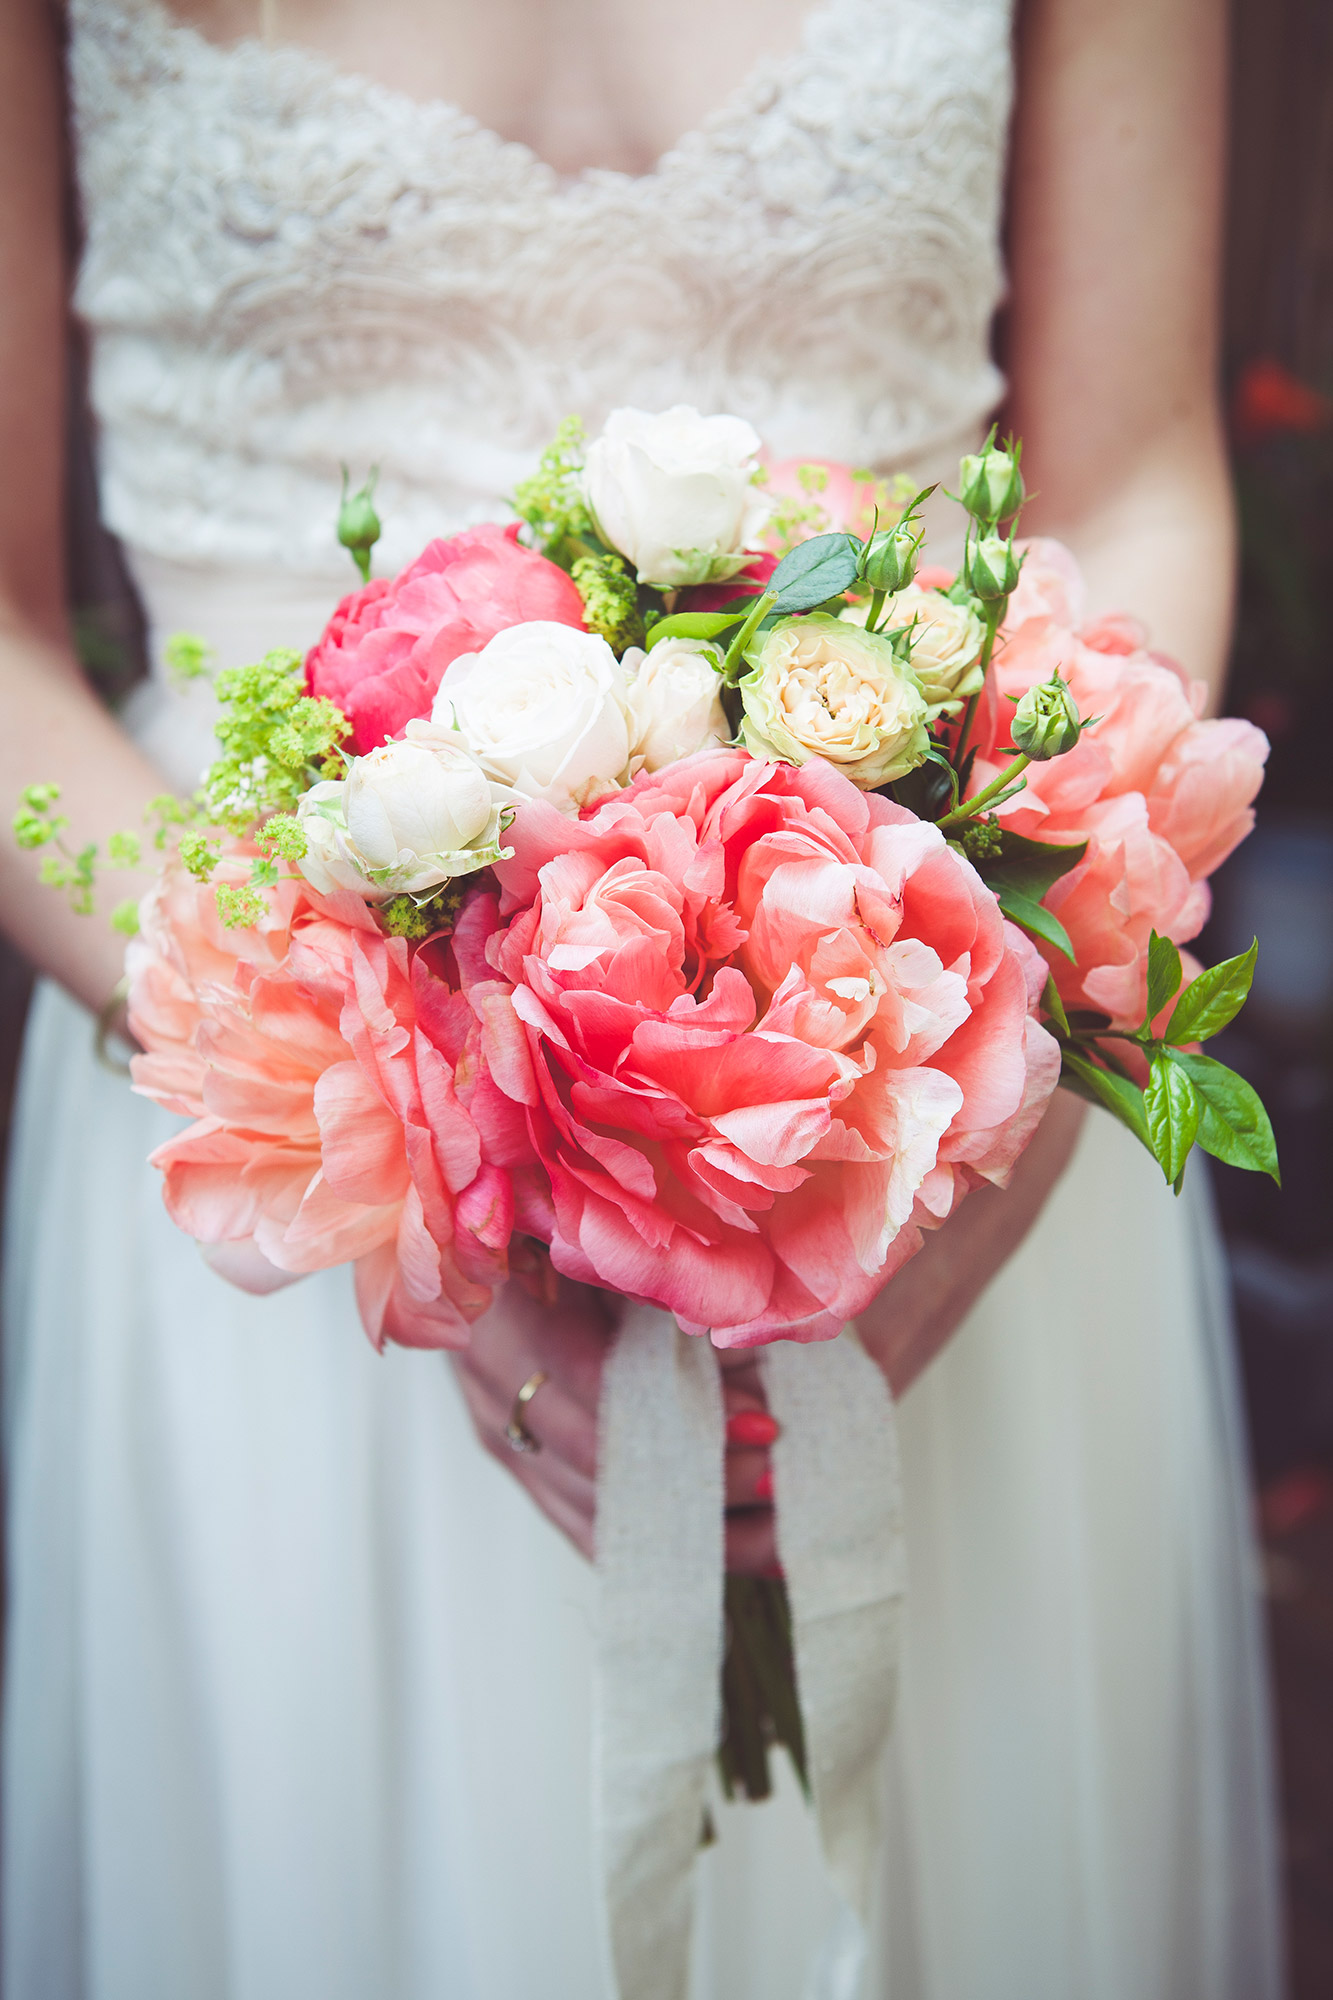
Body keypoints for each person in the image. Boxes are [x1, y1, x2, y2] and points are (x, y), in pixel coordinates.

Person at [0, 0, 1283, 1994]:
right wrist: (401, 1154)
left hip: (945, 1092)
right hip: (285, 1146)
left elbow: (1133, 481)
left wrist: (992, 1118)